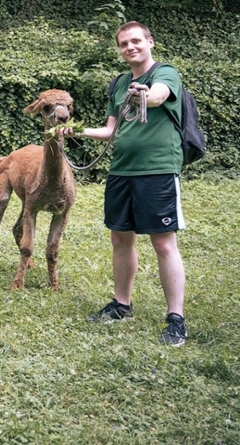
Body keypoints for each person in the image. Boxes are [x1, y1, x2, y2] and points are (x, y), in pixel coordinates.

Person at [65, 21, 188, 346]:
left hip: (158, 170)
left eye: (136, 41)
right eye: (124, 43)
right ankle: (122, 304)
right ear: (120, 49)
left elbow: (161, 96)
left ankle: (176, 318)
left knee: (163, 244)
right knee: (121, 240)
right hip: (121, 171)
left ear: (150, 42)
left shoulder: (165, 73)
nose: (130, 47)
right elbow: (110, 130)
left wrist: (148, 93)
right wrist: (75, 132)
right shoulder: (119, 84)